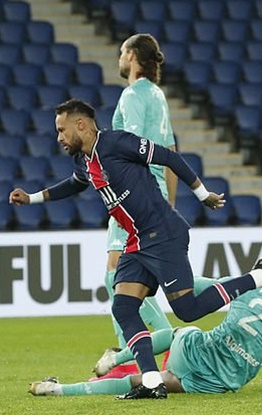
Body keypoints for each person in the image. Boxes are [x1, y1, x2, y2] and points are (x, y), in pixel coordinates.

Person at [10, 99, 262, 400]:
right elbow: (74, 183)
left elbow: (168, 157)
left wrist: (203, 195)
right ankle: (151, 382)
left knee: (187, 310)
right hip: (137, 240)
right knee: (123, 307)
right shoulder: (83, 161)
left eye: (62, 129)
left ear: (80, 124)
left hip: (163, 233)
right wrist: (32, 198)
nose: (59, 137)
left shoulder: (117, 143)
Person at [29, 246, 262, 398]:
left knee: (180, 333)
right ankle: (56, 390)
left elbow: (194, 285)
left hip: (193, 352)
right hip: (216, 383)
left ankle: (116, 358)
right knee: (143, 381)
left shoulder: (247, 286)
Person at [97, 33, 178, 379]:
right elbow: (170, 152)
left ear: (131, 56)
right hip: (154, 195)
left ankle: (135, 355)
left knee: (116, 273)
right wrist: (168, 205)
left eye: (121, 52)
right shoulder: (157, 96)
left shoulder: (131, 95)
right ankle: (156, 348)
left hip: (134, 194)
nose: (119, 58)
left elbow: (128, 148)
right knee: (134, 276)